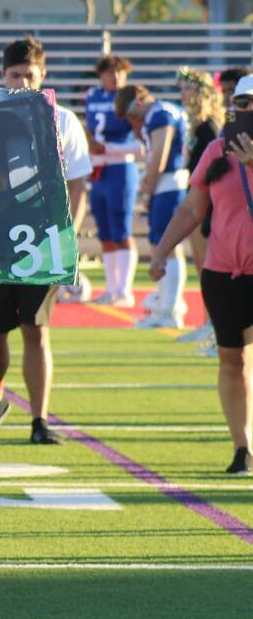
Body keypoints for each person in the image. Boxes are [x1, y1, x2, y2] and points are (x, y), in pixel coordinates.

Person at [0, 37, 91, 445]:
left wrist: (65, 238)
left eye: (29, 75)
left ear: (43, 76)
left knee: (35, 328)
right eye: (15, 75)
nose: (21, 82)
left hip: (41, 239)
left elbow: (77, 185)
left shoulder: (64, 120)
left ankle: (39, 419)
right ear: (2, 75)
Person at [148, 74, 253, 474]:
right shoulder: (216, 151)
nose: (248, 111)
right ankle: (242, 447)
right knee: (232, 359)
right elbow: (192, 209)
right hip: (224, 270)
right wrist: (161, 251)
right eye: (242, 103)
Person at [116, 84, 190, 329]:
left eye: (131, 116)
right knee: (164, 244)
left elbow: (159, 155)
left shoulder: (159, 114)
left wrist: (147, 189)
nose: (132, 122)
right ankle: (169, 302)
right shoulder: (163, 111)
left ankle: (169, 310)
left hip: (169, 183)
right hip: (171, 182)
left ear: (138, 103)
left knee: (165, 245)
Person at [84, 55, 139, 307]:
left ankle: (124, 290)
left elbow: (143, 144)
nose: (115, 76)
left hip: (121, 167)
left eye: (119, 72)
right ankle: (110, 289)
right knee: (105, 231)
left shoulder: (132, 98)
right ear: (101, 74)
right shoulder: (92, 96)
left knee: (121, 229)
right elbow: (91, 131)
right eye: (110, 72)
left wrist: (108, 148)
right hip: (99, 171)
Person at [178, 68, 225, 349]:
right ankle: (207, 322)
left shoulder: (209, 127)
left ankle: (216, 327)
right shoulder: (196, 125)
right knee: (201, 266)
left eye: (188, 89)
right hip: (196, 198)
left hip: (206, 204)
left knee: (208, 268)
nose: (183, 94)